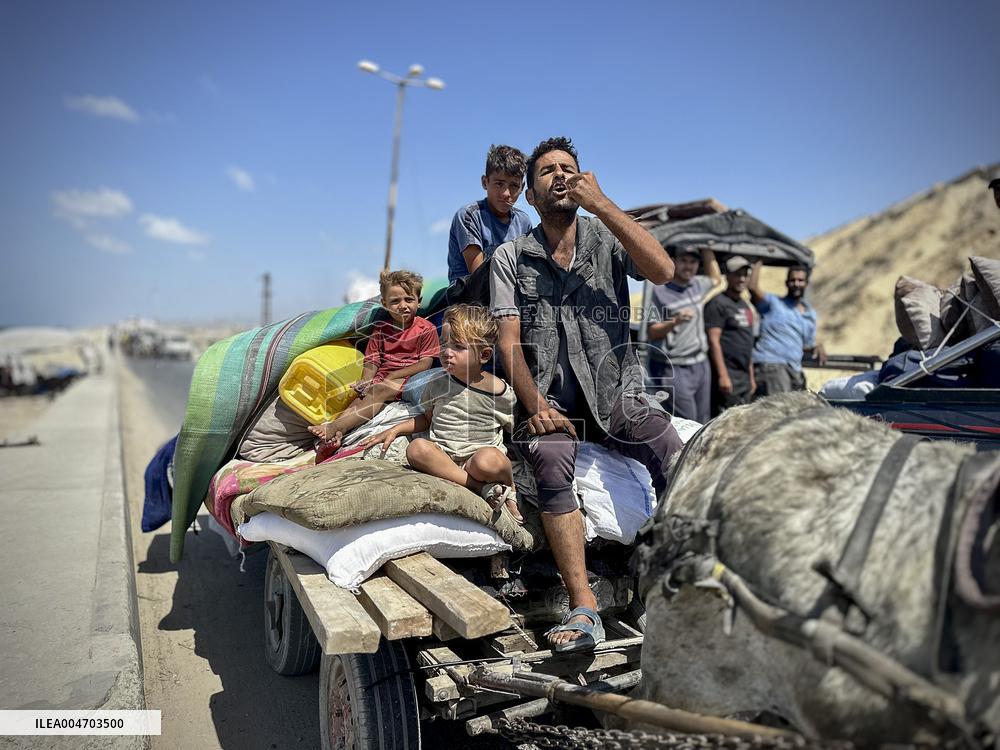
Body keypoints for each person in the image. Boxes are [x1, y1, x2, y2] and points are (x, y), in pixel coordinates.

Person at [490, 136, 683, 652]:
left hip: (614, 394)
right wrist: (536, 407)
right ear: (530, 195)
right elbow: (509, 343)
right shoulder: (512, 258)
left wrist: (601, 203)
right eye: (548, 171)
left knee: (668, 444)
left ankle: (670, 578)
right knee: (549, 460)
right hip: (549, 402)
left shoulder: (605, 238)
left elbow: (663, 271)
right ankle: (584, 608)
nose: (560, 175)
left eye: (568, 169)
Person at [360, 304, 520, 520]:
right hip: (445, 457)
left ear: (484, 354)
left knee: (488, 461)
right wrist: (395, 430)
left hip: (478, 458)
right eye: (443, 343)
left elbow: (512, 428)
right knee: (417, 449)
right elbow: (427, 420)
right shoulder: (436, 384)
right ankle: (476, 487)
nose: (446, 352)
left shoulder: (500, 393)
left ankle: (511, 490)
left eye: (458, 347)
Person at [308, 270, 439, 451]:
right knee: (358, 400)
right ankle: (337, 435)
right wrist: (366, 379)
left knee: (381, 390)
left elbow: (426, 363)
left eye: (409, 299)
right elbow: (373, 360)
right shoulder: (381, 329)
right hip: (383, 377)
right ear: (384, 304)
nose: (403, 306)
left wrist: (393, 375)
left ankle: (334, 427)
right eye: (395, 301)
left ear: (419, 301)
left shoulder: (426, 329)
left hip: (410, 378)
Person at [645, 246, 722, 423]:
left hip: (701, 365)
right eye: (684, 261)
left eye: (693, 262)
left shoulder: (697, 284)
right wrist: (675, 321)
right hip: (674, 367)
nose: (689, 266)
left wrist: (708, 248)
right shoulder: (658, 290)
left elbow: (716, 279)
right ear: (673, 261)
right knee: (687, 421)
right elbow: (651, 332)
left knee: (704, 420)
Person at [447, 145, 534, 283]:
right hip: (470, 298)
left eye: (514, 186)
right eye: (499, 184)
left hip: (511, 294)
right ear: (485, 182)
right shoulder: (470, 215)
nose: (506, 194)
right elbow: (479, 277)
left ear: (522, 188)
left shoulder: (523, 221)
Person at [748, 261, 826, 396]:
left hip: (794, 369)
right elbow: (752, 287)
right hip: (771, 365)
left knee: (797, 411)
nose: (796, 284)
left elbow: (804, 345)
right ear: (786, 283)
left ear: (806, 284)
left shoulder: (809, 314)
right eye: (792, 280)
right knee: (779, 410)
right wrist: (760, 260)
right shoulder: (773, 303)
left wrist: (816, 347)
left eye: (800, 280)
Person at [704, 255, 757, 415]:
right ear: (727, 275)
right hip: (728, 376)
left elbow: (747, 343)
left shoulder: (745, 305)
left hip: (744, 378)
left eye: (745, 275)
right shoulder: (717, 303)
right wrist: (723, 376)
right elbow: (714, 341)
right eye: (737, 274)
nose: (741, 279)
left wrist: (751, 377)